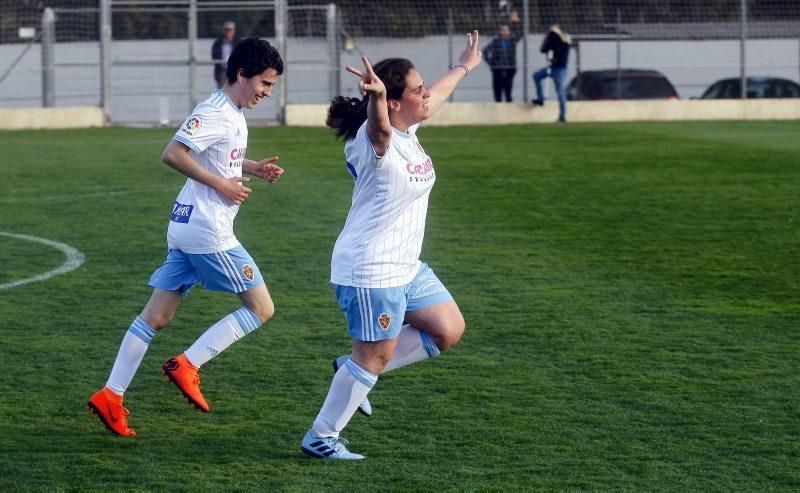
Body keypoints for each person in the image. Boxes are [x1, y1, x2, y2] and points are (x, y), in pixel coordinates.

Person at [87, 37, 285, 437]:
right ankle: (188, 364)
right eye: (264, 83)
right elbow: (173, 153)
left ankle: (111, 396)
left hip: (186, 223)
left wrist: (251, 167)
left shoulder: (231, 112)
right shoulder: (214, 111)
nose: (267, 92)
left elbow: (216, 153)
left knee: (156, 317)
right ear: (241, 74)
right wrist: (223, 186)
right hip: (207, 231)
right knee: (262, 308)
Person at [299, 31, 481, 460]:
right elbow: (380, 125)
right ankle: (321, 437)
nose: (425, 95)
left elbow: (434, 95)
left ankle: (353, 370)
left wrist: (465, 66)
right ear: (394, 102)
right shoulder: (374, 138)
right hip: (371, 267)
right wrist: (377, 98)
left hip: (406, 265)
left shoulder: (410, 125)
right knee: (374, 356)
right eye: (415, 90)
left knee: (448, 328)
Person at [532, 24, 571, 122]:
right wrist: (546, 36)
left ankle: (562, 116)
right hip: (551, 68)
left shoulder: (564, 42)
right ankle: (540, 98)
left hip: (560, 70)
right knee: (536, 76)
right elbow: (542, 49)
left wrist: (557, 31)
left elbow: (565, 41)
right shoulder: (552, 42)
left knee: (560, 91)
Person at [482, 10, 521, 102]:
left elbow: (520, 35)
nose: (504, 32)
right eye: (502, 30)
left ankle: (509, 106)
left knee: (508, 89)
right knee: (497, 89)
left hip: (509, 68)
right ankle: (498, 106)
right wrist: (491, 62)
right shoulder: (496, 40)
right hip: (498, 68)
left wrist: (516, 22)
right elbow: (485, 51)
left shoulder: (512, 40)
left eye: (506, 30)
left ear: (509, 31)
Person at [212, 21, 239, 88]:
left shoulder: (238, 43)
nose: (228, 32)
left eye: (230, 30)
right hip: (222, 69)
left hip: (234, 69)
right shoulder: (218, 43)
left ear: (233, 31)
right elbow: (214, 55)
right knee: (221, 90)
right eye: (226, 29)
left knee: (235, 89)